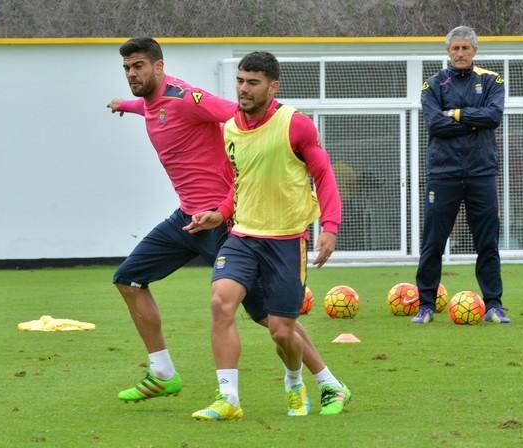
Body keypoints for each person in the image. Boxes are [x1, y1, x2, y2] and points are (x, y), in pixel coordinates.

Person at [107, 38, 347, 405]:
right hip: (187, 219)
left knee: (272, 320)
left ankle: (327, 380)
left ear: (159, 67)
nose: (131, 74)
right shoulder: (152, 103)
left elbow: (236, 115)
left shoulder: (188, 98)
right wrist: (124, 105)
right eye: (126, 68)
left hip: (224, 221)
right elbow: (151, 107)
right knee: (128, 278)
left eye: (138, 66)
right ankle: (162, 373)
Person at [185, 51, 350, 420]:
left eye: (253, 83)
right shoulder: (229, 128)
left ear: (273, 86)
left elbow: (323, 175)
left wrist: (330, 228)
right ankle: (228, 399)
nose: (243, 89)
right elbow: (241, 183)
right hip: (242, 237)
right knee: (220, 302)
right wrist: (219, 214)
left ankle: (295, 382)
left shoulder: (296, 125)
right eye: (240, 81)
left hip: (287, 241)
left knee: (280, 332)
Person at [412, 26, 510, 324]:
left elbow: (493, 117)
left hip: (481, 173)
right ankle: (426, 305)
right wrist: (473, 120)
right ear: (448, 51)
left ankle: (493, 304)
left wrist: (454, 114)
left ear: (474, 51)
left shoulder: (492, 80)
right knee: (433, 242)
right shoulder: (433, 85)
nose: (460, 53)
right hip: (444, 174)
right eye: (455, 49)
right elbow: (433, 125)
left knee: (487, 243)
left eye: (466, 48)